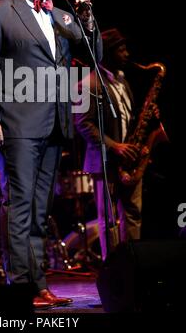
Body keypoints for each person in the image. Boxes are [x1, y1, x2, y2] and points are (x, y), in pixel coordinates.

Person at [0, 0, 102, 309]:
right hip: (16, 124)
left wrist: (88, 21)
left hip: (55, 124)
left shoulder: (61, 16)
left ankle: (39, 285)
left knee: (41, 210)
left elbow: (94, 57)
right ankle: (22, 287)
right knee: (21, 204)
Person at [75, 28, 161, 260]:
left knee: (133, 214)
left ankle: (134, 265)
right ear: (108, 53)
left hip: (130, 160)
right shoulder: (87, 84)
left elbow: (128, 117)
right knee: (110, 220)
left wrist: (146, 128)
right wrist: (115, 147)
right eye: (121, 49)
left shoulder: (123, 80)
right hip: (106, 161)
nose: (126, 54)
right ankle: (114, 269)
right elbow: (84, 125)